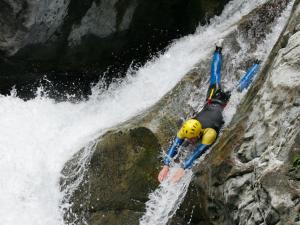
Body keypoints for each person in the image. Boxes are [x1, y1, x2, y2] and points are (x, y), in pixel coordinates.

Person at [158, 39, 260, 183]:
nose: (189, 141)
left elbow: (198, 153)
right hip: (211, 100)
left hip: (225, 104)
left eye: (191, 139)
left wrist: (183, 168)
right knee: (215, 76)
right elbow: (176, 143)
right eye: (188, 139)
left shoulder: (209, 134)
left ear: (199, 133)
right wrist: (166, 165)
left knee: (241, 86)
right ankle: (218, 49)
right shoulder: (188, 127)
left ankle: (257, 64)